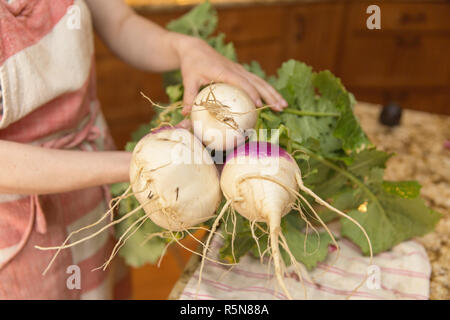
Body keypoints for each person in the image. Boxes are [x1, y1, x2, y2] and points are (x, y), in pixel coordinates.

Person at [0, 0, 287, 299]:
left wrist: (184, 48)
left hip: (93, 189)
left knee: (100, 286)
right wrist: (142, 164)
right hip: (18, 229)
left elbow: (120, 23)